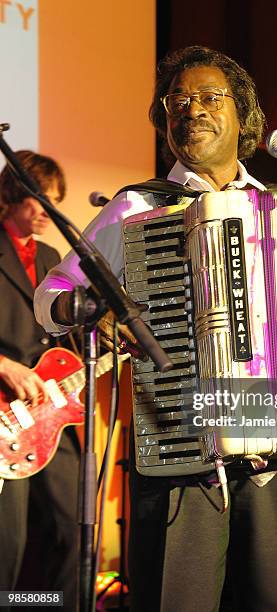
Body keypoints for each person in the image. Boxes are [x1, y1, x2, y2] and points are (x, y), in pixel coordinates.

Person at [34, 46, 277, 612]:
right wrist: (98, 309)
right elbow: (53, 296)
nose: (190, 109)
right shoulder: (137, 208)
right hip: (181, 460)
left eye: (208, 96)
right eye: (177, 101)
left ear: (241, 114)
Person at [0, 151, 80, 612]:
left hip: (48, 415)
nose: (48, 210)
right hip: (5, 415)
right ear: (12, 195)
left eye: (54, 201)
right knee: (7, 543)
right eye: (39, 199)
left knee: (70, 527)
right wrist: (4, 365)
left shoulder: (52, 257)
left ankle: (43, 605)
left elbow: (59, 343)